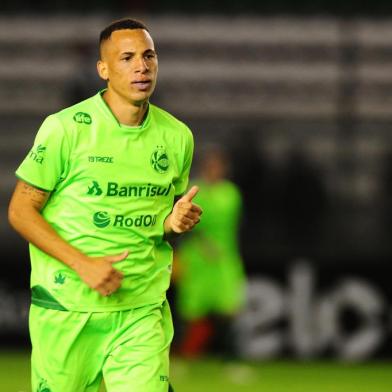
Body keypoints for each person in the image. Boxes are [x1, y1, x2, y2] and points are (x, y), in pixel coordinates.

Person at [8, 18, 202, 392]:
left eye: (148, 56)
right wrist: (83, 264)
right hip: (67, 309)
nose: (141, 67)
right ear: (104, 69)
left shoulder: (177, 137)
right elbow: (20, 210)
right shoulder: (66, 129)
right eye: (127, 58)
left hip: (141, 310)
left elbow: (150, 219)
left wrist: (172, 221)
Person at [174, 146, 246, 358]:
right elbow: (185, 223)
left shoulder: (231, 193)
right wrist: (202, 243)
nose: (215, 170)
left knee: (228, 310)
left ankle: (231, 359)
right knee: (190, 311)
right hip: (196, 260)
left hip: (224, 259)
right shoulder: (195, 191)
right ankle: (180, 357)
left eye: (218, 166)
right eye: (211, 166)